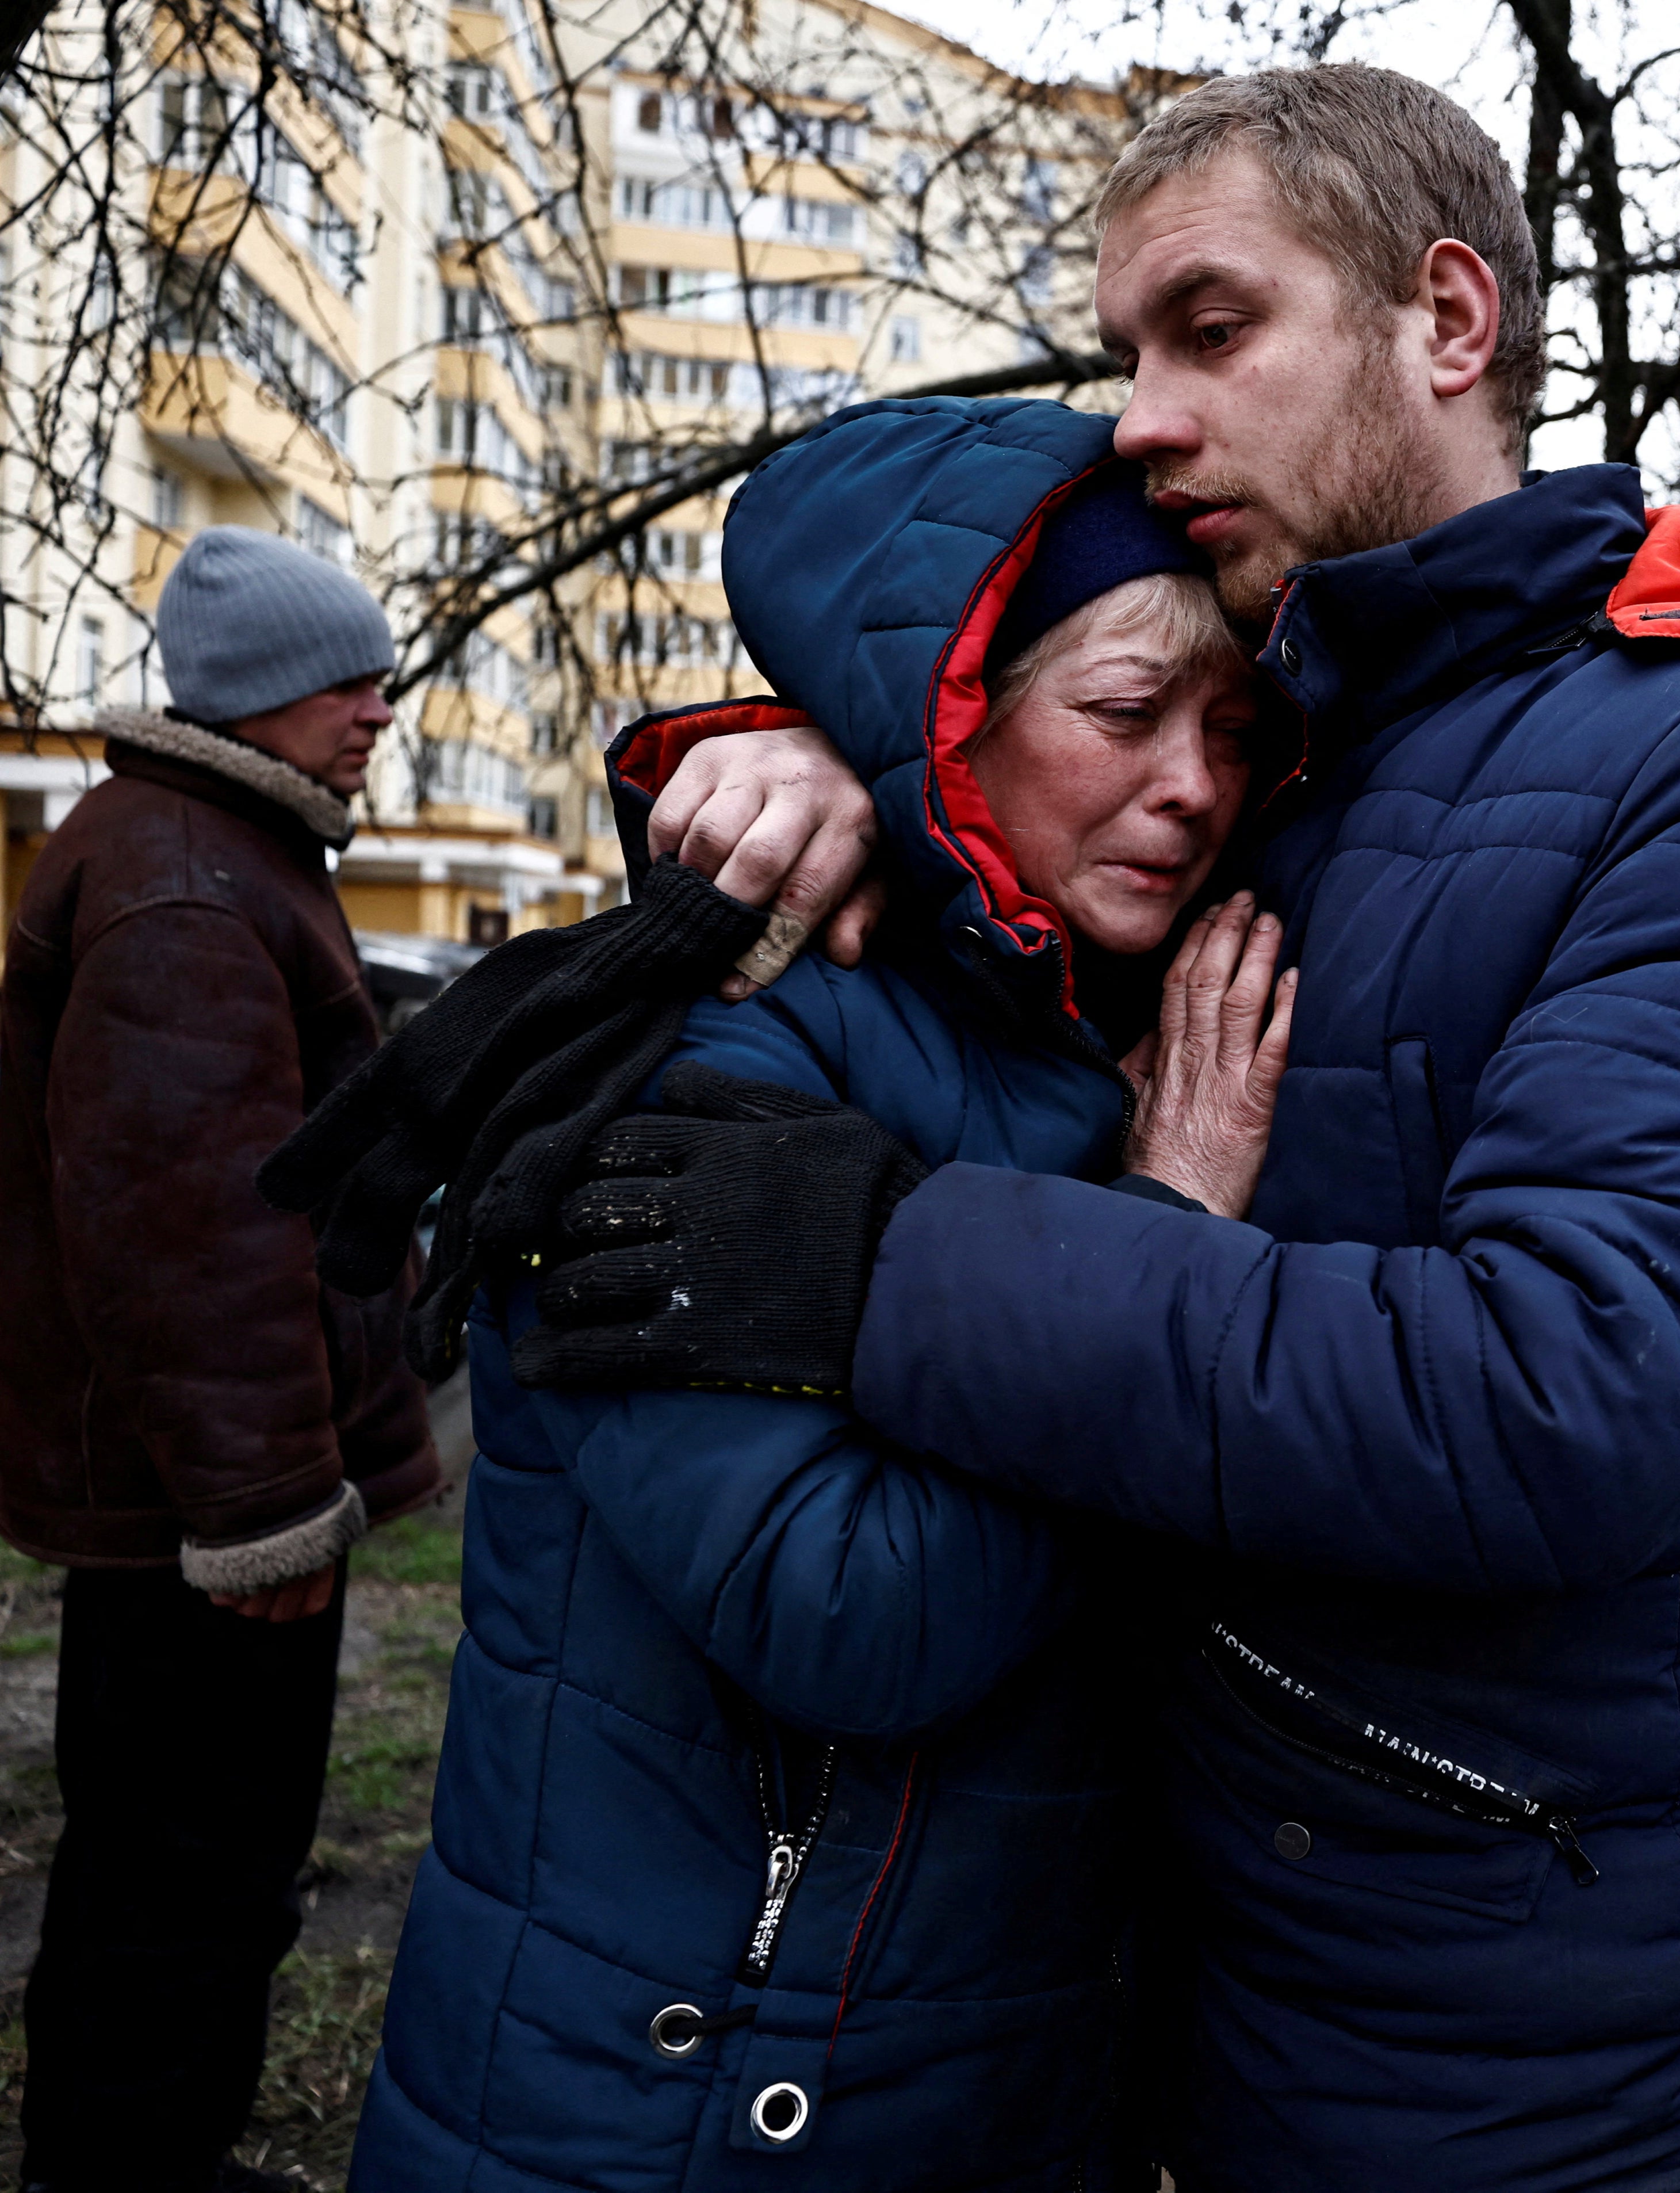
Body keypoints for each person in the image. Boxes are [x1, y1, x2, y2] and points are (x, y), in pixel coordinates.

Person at [515, 64, 1680, 2193]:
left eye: (1211, 327)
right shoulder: (1294, 745)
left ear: (1448, 322)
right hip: (1160, 1974)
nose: (1142, 415)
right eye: (1125, 352)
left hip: (1499, 2051)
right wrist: (823, 745)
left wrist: (892, 1258)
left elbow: (1572, 1390)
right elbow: (1019, 757)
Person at [339, 429, 1282, 2188]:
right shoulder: (712, 1033)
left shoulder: (1139, 1034)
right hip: (674, 2103)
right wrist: (1162, 1237)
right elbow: (850, 1607)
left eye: (1234, 734)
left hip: (996, 2082)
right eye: (1129, 710)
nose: (1191, 787)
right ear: (951, 716)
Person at [0, 528, 442, 2193]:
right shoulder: (190, 877)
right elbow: (192, 1230)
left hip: (190, 1493)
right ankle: (122, 2167)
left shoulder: (215, 845)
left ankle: (152, 2150)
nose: (379, 708)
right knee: (181, 1869)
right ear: (261, 693)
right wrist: (261, 1504)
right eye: (351, 679)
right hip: (203, 1517)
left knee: (197, 1860)